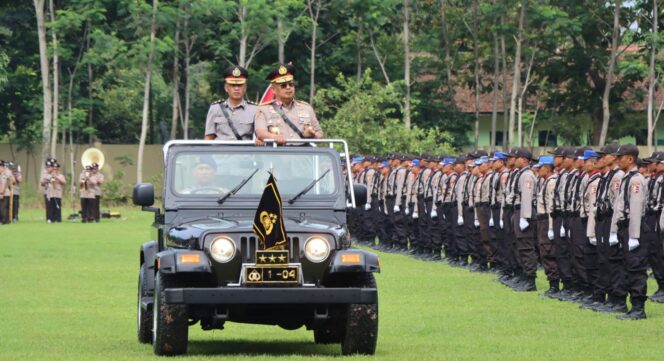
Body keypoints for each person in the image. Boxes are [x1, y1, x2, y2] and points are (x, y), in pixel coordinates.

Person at [609, 144, 649, 320]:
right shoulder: (627, 178)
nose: (618, 161)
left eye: (621, 157)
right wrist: (615, 229)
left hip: (636, 228)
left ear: (630, 159)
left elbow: (635, 208)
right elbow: (619, 206)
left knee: (636, 268)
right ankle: (632, 305)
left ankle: (639, 308)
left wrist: (634, 235)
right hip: (626, 227)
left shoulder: (636, 180)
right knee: (627, 266)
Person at [254, 63, 324, 145]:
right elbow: (260, 133)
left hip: (303, 154)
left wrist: (312, 134)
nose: (288, 87)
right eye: (283, 85)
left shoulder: (306, 108)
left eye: (291, 84)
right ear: (273, 89)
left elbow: (320, 134)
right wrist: (274, 137)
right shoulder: (263, 110)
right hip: (278, 154)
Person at [204, 65, 258, 141]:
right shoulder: (215, 108)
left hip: (244, 151)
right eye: (233, 85)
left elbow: (259, 136)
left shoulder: (254, 109)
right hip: (220, 151)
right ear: (226, 88)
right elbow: (209, 137)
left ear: (245, 88)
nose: (236, 88)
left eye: (240, 85)